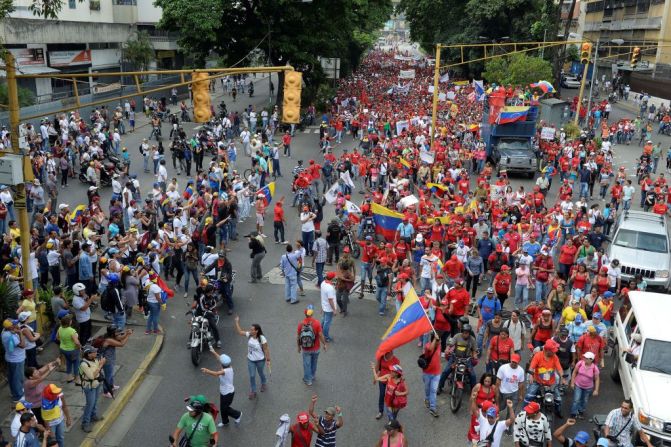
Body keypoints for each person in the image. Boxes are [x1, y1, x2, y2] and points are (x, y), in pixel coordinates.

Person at [201, 349, 242, 427]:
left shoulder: (225, 371)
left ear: (222, 364)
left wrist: (207, 370)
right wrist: (213, 352)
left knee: (225, 408)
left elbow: (216, 374)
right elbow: (219, 358)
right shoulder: (228, 366)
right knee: (222, 407)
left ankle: (238, 415)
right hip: (223, 392)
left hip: (228, 393)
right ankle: (225, 421)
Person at [525, 339, 564, 418]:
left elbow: (559, 369)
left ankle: (557, 411)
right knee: (528, 397)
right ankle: (524, 413)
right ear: (547, 350)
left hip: (551, 383)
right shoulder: (538, 355)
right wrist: (531, 375)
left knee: (558, 400)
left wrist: (562, 377)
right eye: (553, 350)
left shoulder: (555, 357)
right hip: (538, 382)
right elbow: (531, 367)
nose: (555, 352)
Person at [233, 316, 270, 399]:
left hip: (260, 360)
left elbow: (266, 348)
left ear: (256, 331)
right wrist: (236, 322)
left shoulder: (262, 338)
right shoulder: (249, 335)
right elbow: (240, 332)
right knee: (252, 375)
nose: (250, 331)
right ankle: (253, 391)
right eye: (250, 329)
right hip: (251, 360)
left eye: (252, 330)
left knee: (261, 373)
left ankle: (263, 383)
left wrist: (268, 359)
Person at [297, 305, 327, 386]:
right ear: (312, 313)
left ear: (305, 314)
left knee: (307, 364)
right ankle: (312, 376)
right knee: (314, 363)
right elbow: (320, 335)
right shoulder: (316, 323)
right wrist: (324, 344)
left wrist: (299, 347)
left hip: (306, 349)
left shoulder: (301, 324)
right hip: (316, 348)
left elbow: (298, 337)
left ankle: (308, 380)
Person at [99, 325, 132, 397]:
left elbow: (120, 337)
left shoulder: (111, 336)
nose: (118, 333)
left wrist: (126, 333)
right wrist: (128, 335)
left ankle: (111, 386)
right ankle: (106, 391)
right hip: (107, 360)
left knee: (111, 374)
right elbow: (121, 344)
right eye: (117, 331)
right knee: (108, 376)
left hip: (111, 358)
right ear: (113, 332)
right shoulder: (108, 340)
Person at [78, 345, 104, 433]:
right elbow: (91, 376)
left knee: (95, 401)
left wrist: (99, 365)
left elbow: (97, 371)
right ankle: (85, 423)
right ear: (88, 354)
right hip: (89, 387)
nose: (96, 353)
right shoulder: (84, 364)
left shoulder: (95, 359)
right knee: (89, 405)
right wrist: (100, 365)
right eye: (94, 352)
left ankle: (93, 416)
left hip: (97, 384)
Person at [569, 351, 600, 419]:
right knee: (576, 399)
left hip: (588, 388)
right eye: (584, 357)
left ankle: (581, 411)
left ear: (591, 360)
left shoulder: (595, 368)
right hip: (578, 385)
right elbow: (574, 372)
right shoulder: (580, 363)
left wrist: (596, 390)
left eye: (586, 358)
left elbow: (597, 379)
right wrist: (572, 383)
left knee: (584, 400)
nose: (584, 359)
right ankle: (573, 413)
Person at [56, 315, 80, 385]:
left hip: (63, 349)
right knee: (76, 364)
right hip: (72, 350)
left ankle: (69, 377)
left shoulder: (60, 328)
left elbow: (57, 337)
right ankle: (77, 379)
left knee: (69, 362)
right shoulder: (71, 331)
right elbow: (76, 342)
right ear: (69, 323)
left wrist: (64, 341)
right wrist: (79, 347)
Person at [421, 333, 441, 418]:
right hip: (427, 373)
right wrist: (434, 340)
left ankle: (433, 408)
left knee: (433, 390)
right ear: (434, 340)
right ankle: (427, 398)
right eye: (438, 340)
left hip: (436, 373)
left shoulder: (439, 345)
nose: (440, 342)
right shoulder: (427, 346)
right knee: (427, 389)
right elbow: (430, 349)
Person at [320, 271, 338, 340]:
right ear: (332, 278)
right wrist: (334, 310)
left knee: (324, 319)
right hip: (329, 308)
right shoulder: (330, 288)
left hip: (324, 305)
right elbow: (330, 300)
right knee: (327, 323)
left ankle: (320, 331)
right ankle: (326, 337)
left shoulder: (323, 283)